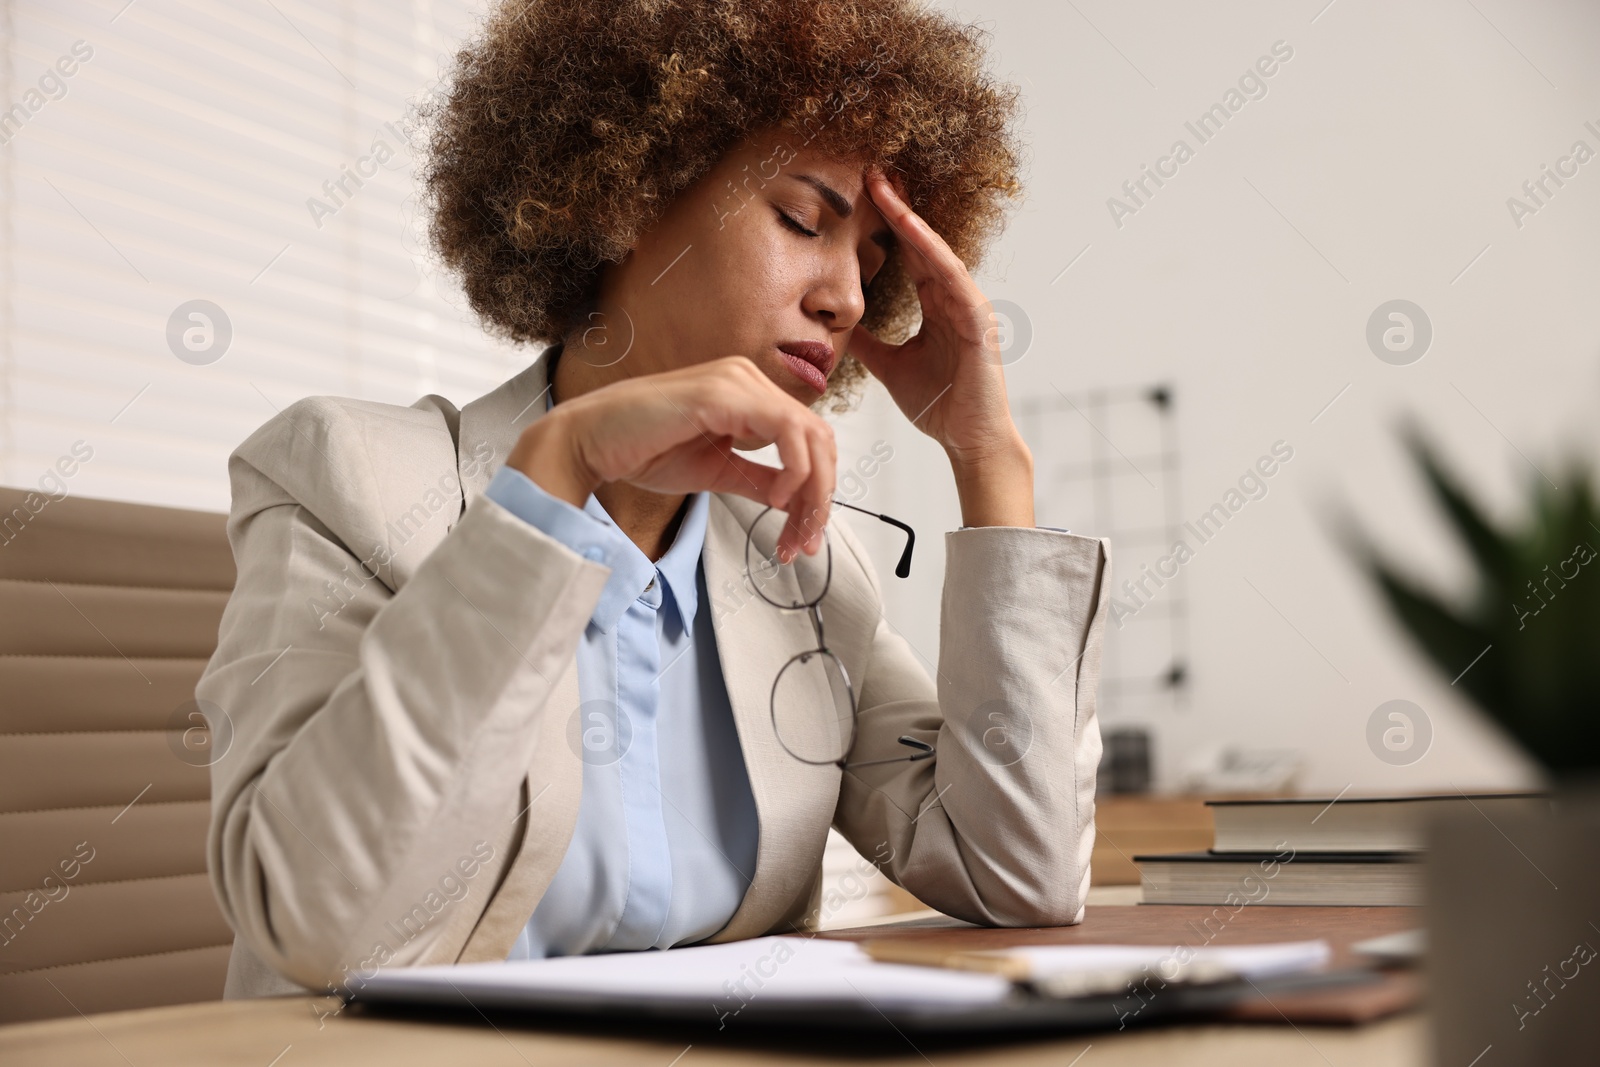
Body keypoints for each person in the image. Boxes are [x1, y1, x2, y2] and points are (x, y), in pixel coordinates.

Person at [197, 0, 1111, 999]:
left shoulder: (804, 564)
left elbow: (1017, 873)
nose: (846, 296)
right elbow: (323, 927)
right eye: (805, 221)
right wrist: (554, 479)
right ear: (626, 193)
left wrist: (988, 461)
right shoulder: (347, 477)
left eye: (870, 266)